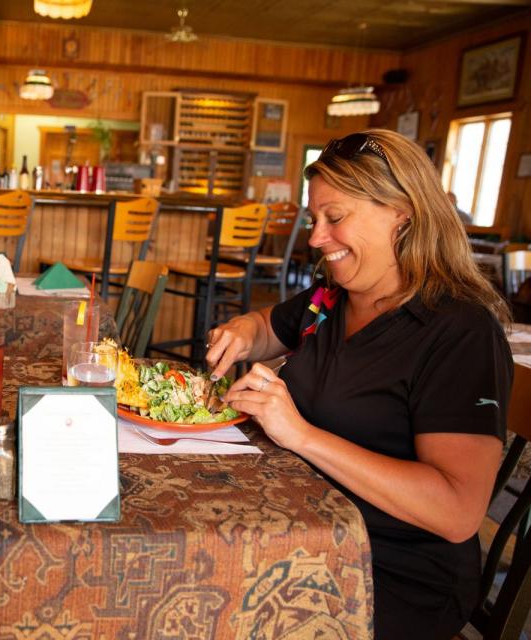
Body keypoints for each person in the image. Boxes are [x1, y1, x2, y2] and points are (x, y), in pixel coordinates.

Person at [205, 129, 513, 639]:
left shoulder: (458, 330)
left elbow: (457, 511)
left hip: (388, 572)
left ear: (402, 212)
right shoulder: (331, 298)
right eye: (313, 220)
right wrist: (242, 333)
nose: (316, 238)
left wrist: (300, 434)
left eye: (335, 217)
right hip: (305, 531)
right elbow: (267, 328)